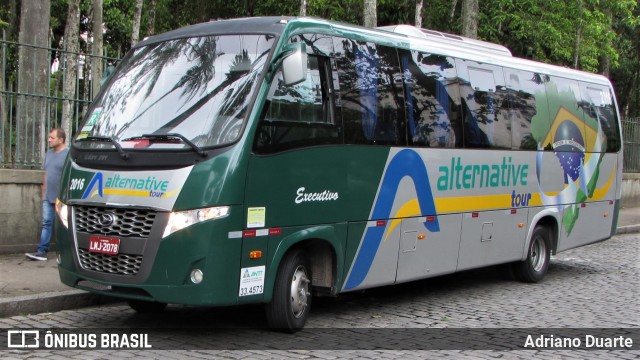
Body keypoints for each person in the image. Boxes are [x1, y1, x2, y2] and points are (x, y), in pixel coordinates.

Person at [26, 128, 69, 261]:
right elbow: (46, 174)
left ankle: (67, 254)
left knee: (64, 226)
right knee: (46, 223)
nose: (49, 140)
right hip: (48, 197)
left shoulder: (68, 155)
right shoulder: (49, 154)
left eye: (52, 137)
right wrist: (43, 191)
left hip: (62, 198)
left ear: (61, 139)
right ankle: (41, 251)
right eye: (49, 137)